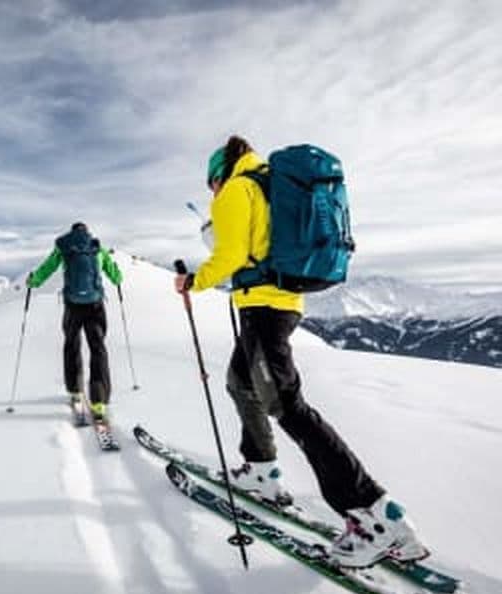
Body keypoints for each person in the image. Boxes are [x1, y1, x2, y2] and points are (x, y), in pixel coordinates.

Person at [173, 135, 428, 568]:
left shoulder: (237, 189)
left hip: (265, 308)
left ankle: (377, 517)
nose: (211, 194)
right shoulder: (270, 183)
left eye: (210, 185)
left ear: (218, 175)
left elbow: (232, 254)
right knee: (241, 383)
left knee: (289, 408)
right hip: (281, 304)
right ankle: (262, 472)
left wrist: (193, 281)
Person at [27, 222, 122, 424]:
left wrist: (33, 281)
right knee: (98, 349)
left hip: (72, 306)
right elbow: (115, 276)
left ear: (72, 232)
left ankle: (75, 392)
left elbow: (47, 268)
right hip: (95, 306)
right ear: (87, 232)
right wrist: (117, 275)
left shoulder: (64, 247)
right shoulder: (97, 248)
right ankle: (99, 401)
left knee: (72, 344)